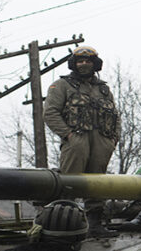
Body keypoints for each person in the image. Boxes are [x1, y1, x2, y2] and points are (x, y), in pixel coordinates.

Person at [43, 46, 120, 238]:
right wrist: (68, 135)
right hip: (76, 140)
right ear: (74, 64)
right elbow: (50, 113)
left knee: (98, 183)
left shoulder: (103, 89)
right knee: (70, 181)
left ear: (95, 64)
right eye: (80, 61)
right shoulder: (62, 85)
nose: (84, 64)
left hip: (101, 141)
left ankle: (95, 224)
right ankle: (60, 224)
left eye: (88, 61)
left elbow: (116, 116)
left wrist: (113, 139)